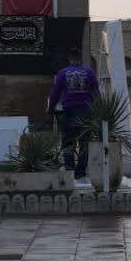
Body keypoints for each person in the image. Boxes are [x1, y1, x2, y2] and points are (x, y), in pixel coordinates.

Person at [47, 46, 100, 179]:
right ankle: (80, 172)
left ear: (69, 59)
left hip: (69, 112)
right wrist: (100, 111)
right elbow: (96, 93)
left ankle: (70, 170)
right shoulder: (89, 72)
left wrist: (51, 109)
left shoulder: (62, 73)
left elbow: (55, 94)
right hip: (86, 112)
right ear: (80, 59)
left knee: (68, 142)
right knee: (84, 143)